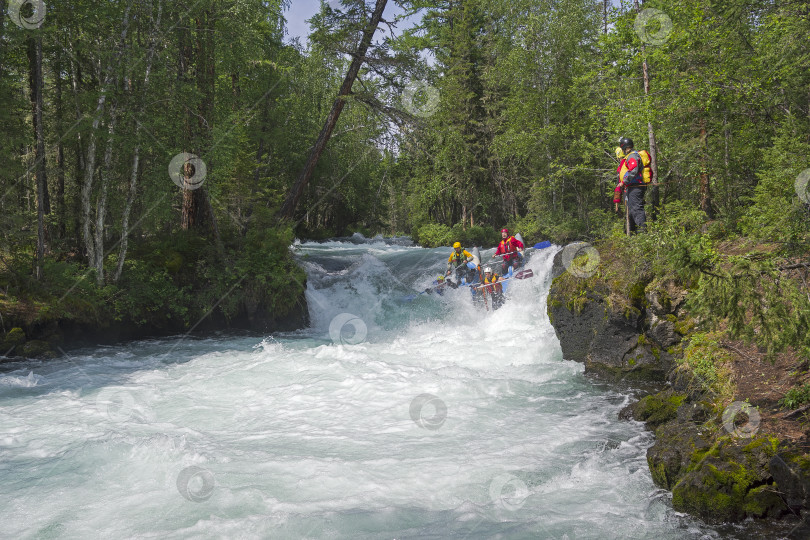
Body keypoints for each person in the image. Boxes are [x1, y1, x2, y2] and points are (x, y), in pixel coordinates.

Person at [616, 137, 647, 233]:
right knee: (632, 210)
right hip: (632, 187)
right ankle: (634, 233)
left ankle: (643, 232)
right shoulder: (631, 156)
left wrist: (624, 181)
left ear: (624, 147)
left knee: (637, 208)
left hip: (636, 186)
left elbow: (634, 170)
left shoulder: (632, 156)